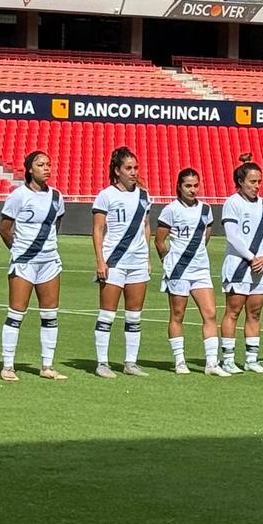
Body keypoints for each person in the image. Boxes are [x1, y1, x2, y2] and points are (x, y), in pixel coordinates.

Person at [0, 150, 67, 381]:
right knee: (16, 314)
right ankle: (7, 366)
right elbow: (5, 229)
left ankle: (47, 366)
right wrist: (19, 251)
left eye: (48, 164)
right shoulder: (18, 196)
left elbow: (55, 225)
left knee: (50, 314)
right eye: (40, 164)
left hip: (49, 262)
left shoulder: (57, 197)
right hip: (24, 262)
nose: (46, 168)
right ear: (30, 169)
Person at [155, 168, 227, 377]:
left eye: (195, 185)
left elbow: (206, 235)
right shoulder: (171, 210)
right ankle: (179, 360)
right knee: (178, 314)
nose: (193, 189)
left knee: (210, 313)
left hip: (201, 269)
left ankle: (211, 363)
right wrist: (167, 261)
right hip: (178, 270)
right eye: (188, 186)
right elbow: (159, 240)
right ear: (179, 186)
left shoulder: (206, 209)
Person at [92, 146, 152, 378]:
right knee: (107, 314)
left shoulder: (144, 196)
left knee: (134, 315)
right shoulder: (106, 195)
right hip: (114, 261)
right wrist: (100, 261)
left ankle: (130, 362)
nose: (133, 172)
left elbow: (146, 226)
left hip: (137, 262)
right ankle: (102, 362)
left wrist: (146, 256)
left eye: (135, 168)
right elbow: (98, 230)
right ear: (117, 171)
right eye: (128, 168)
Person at [219, 154, 263, 374]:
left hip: (260, 267)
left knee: (255, 313)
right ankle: (228, 359)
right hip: (239, 265)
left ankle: (251, 359)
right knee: (233, 312)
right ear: (241, 182)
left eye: (259, 181)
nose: (257, 186)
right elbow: (232, 235)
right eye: (252, 181)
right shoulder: (232, 203)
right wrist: (252, 257)